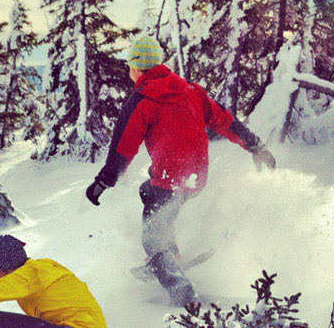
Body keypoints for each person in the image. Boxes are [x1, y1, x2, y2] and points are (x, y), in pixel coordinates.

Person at [85, 34, 276, 306]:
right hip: (195, 178)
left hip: (167, 180)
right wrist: (255, 145)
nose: (129, 71)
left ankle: (181, 292)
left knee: (152, 237)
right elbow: (225, 121)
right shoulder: (192, 91)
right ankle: (170, 256)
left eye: (130, 66)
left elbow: (122, 148)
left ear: (138, 68)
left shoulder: (142, 99)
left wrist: (104, 182)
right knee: (151, 197)